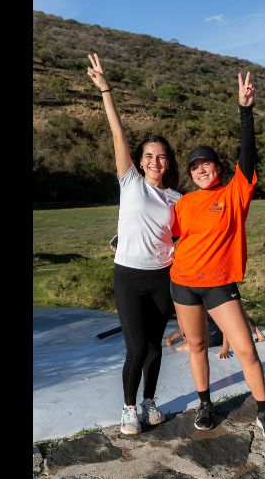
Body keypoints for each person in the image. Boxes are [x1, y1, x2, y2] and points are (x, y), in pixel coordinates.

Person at [169, 72, 265, 440]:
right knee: (198, 345)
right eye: (195, 166)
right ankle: (205, 402)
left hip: (219, 284)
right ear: (190, 173)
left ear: (218, 167)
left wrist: (245, 112)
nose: (201, 169)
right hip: (182, 283)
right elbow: (166, 236)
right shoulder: (184, 203)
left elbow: (249, 159)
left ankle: (264, 411)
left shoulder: (235, 193)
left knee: (247, 350)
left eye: (207, 163)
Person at [87, 53, 181, 435]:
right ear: (139, 162)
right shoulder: (131, 182)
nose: (155, 161)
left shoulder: (177, 198)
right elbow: (117, 134)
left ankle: (149, 401)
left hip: (162, 277)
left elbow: (183, 237)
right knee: (136, 349)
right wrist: (106, 90)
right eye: (148, 156)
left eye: (161, 157)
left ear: (168, 162)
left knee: (156, 347)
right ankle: (129, 409)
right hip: (128, 276)